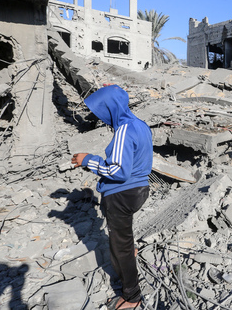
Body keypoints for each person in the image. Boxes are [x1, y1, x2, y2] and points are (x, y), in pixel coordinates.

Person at [71, 85, 152, 310]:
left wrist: (88, 159)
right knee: (125, 237)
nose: (100, 117)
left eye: (102, 110)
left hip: (121, 194)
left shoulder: (124, 130)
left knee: (120, 246)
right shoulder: (141, 125)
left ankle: (132, 296)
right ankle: (129, 253)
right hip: (139, 190)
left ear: (110, 108)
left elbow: (118, 171)